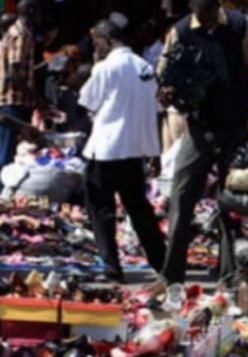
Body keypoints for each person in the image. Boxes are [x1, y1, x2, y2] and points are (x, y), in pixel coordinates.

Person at [155, 0, 248, 287]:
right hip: (200, 128)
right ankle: (171, 274)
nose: (207, 20)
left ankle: (229, 274)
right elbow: (163, 70)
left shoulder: (240, 25)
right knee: (182, 195)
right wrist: (166, 90)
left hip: (236, 126)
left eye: (210, 13)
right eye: (201, 13)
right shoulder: (181, 31)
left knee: (232, 202)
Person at [78, 20, 166, 284]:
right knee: (139, 208)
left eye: (96, 42)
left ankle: (112, 268)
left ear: (106, 39)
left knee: (101, 210)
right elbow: (155, 113)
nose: (94, 47)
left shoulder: (105, 67)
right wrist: (154, 151)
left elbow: (87, 101)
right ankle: (162, 262)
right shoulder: (145, 67)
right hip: (133, 150)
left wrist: (95, 65)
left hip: (105, 150)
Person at [0, 0, 41, 179]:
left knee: (9, 151)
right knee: (6, 153)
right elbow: (14, 71)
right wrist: (36, 96)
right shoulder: (21, 34)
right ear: (31, 11)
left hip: (14, 100)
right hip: (14, 100)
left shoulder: (14, 33)